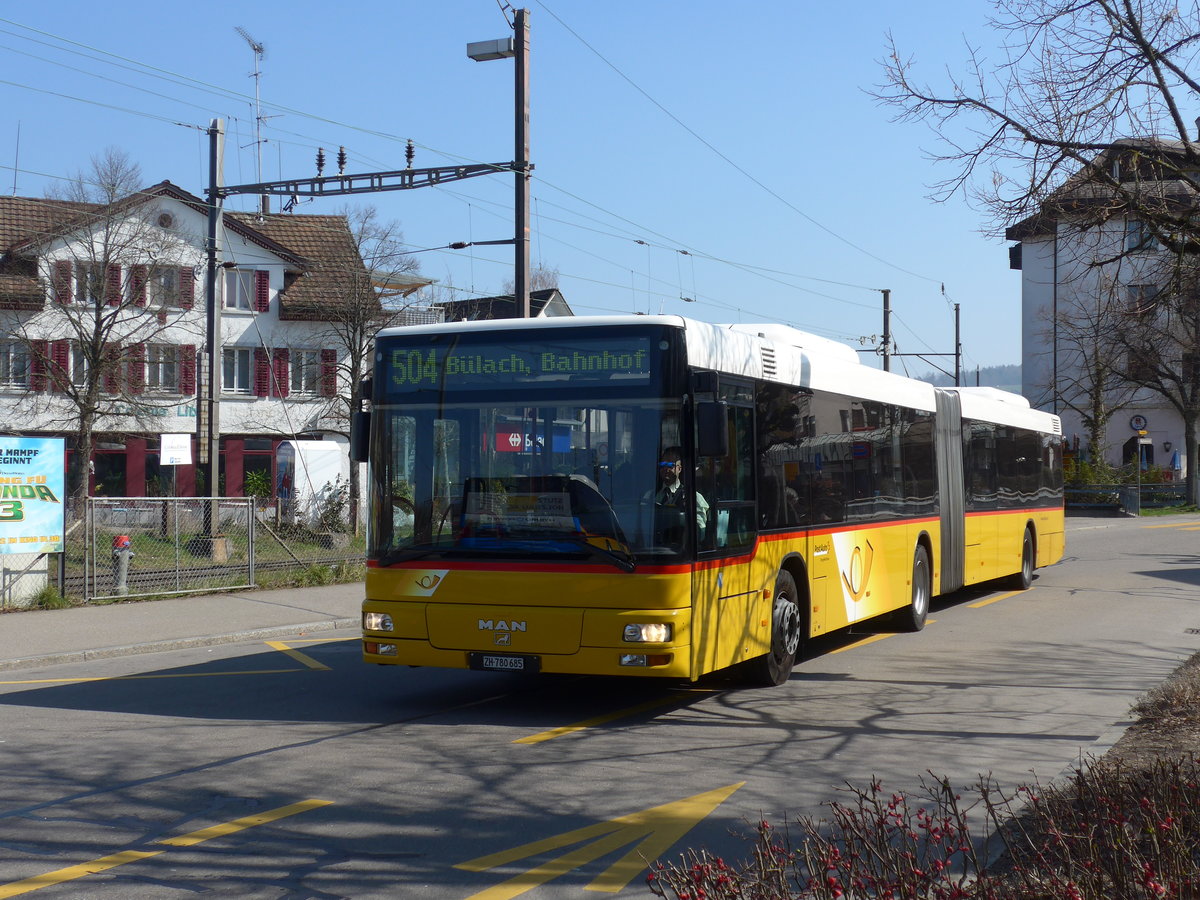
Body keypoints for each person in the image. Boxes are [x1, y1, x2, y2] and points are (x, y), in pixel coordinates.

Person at [645, 446, 709, 544]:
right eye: (663, 464)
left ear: (680, 469)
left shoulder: (693, 497)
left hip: (679, 553)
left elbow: (700, 533)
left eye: (670, 465)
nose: (665, 468)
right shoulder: (649, 496)